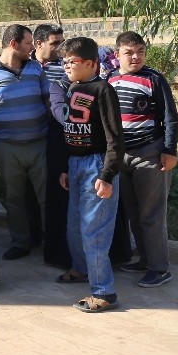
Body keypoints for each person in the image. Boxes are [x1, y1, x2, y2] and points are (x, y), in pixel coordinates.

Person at [57, 37, 124, 312]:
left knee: (94, 231)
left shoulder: (103, 90)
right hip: (75, 164)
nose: (66, 67)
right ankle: (81, 269)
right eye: (63, 62)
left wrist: (107, 175)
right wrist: (65, 166)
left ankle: (104, 292)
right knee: (75, 226)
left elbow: (115, 138)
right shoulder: (74, 87)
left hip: (97, 166)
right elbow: (69, 131)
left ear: (90, 63)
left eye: (71, 62)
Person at [109, 31, 178, 288]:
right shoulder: (110, 79)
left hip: (150, 155)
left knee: (151, 214)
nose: (135, 56)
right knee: (133, 213)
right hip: (122, 156)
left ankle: (160, 269)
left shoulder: (154, 79)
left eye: (140, 51)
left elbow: (170, 117)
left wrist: (169, 151)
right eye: (129, 52)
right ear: (117, 55)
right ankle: (144, 260)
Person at [0, 24, 50, 260]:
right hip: (6, 147)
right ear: (13, 44)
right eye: (28, 43)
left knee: (47, 197)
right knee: (14, 198)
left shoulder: (36, 69)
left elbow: (48, 102)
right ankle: (20, 242)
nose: (32, 48)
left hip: (39, 143)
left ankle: (53, 242)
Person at [32, 23, 71, 269]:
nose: (60, 48)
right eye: (55, 43)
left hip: (59, 139)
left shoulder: (64, 68)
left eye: (61, 42)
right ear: (38, 44)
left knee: (55, 192)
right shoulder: (25, 67)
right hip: (31, 139)